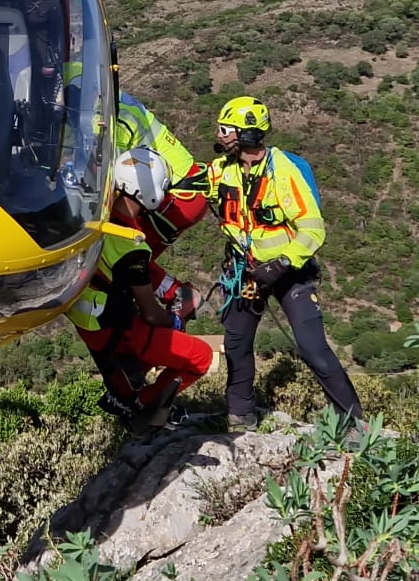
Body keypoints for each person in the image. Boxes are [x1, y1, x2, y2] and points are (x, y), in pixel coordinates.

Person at [204, 95, 363, 432]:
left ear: (247, 133)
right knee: (236, 343)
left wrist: (281, 263)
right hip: (245, 271)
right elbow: (190, 187)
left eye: (225, 130)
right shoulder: (221, 171)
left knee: (312, 347)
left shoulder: (285, 171)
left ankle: (353, 424)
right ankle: (240, 416)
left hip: (289, 272)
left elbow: (313, 228)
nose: (219, 136)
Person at [68, 147, 216, 435]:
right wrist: (174, 320)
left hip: (92, 325)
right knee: (201, 356)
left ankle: (126, 392)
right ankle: (143, 405)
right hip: (122, 332)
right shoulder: (132, 246)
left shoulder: (92, 219)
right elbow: (151, 313)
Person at [112, 92, 209, 313]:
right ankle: (170, 297)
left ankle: (178, 296)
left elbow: (105, 177)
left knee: (119, 248)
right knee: (129, 261)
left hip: (177, 194)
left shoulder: (111, 116)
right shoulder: (96, 84)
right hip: (181, 191)